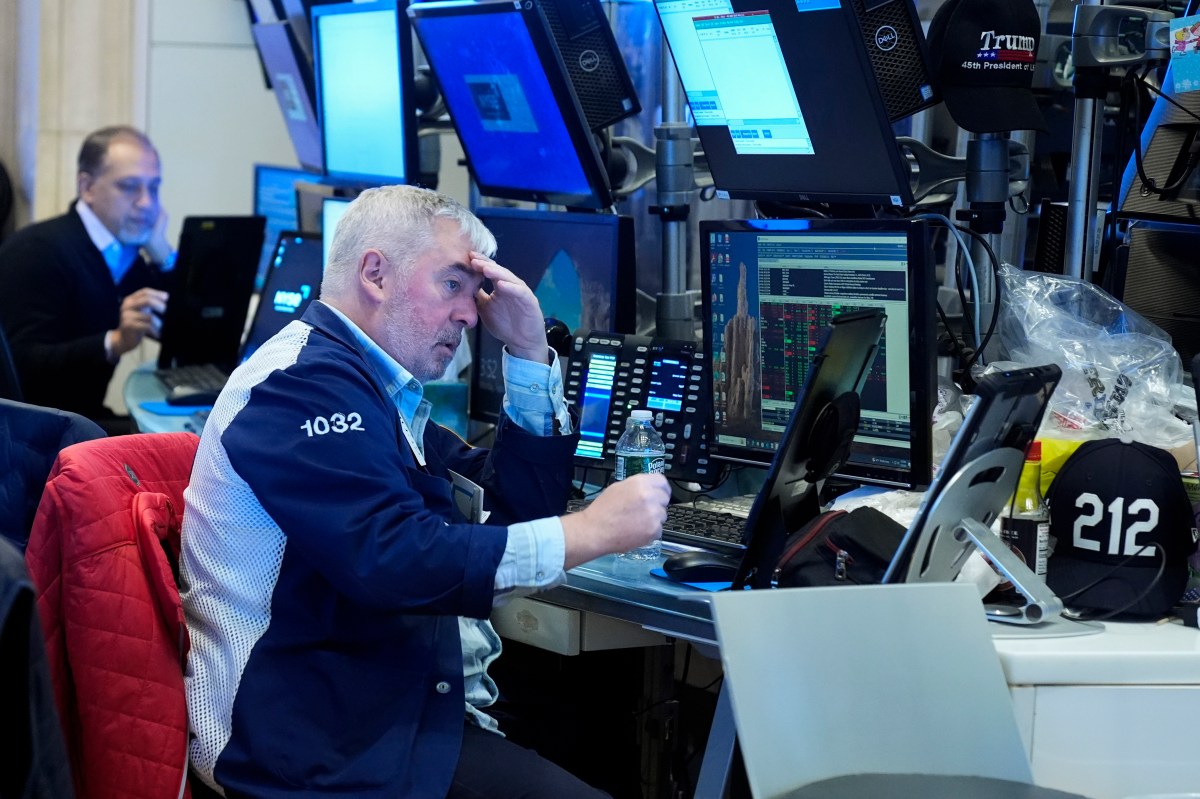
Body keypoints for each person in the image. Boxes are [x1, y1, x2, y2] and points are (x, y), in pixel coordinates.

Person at [180, 184, 669, 799]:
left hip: (386, 715)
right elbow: (391, 558)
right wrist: (590, 531)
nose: (470, 315)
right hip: (310, 751)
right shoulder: (300, 385)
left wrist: (526, 352)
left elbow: (507, 514)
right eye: (452, 284)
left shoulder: (374, 390)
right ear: (375, 274)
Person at [0, 125, 172, 433]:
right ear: (87, 187)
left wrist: (164, 255)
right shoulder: (38, 250)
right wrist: (113, 342)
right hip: (35, 434)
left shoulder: (124, 253)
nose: (147, 203)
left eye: (154, 188)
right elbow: (23, 367)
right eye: (130, 187)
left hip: (81, 418)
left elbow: (188, 336)